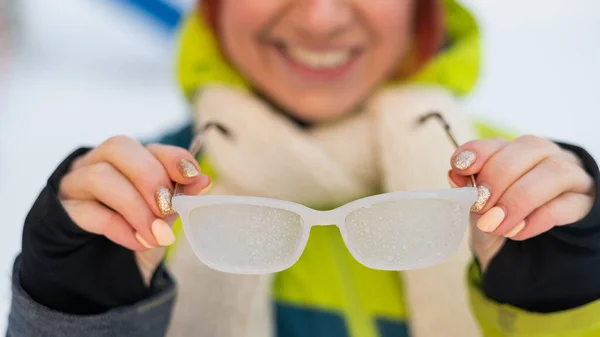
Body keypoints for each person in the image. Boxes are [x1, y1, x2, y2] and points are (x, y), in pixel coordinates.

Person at [7, 0, 600, 336]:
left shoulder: (523, 195)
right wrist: (78, 312)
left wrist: (563, 305)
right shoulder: (136, 204)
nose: (320, 18)